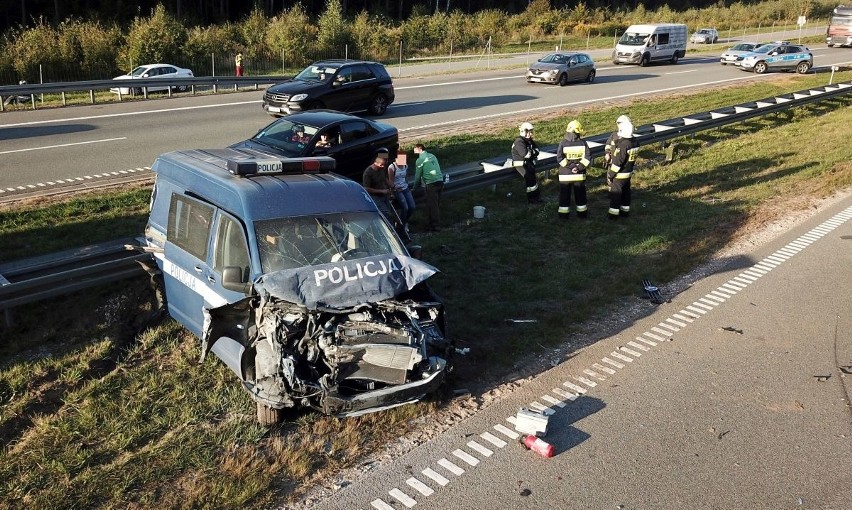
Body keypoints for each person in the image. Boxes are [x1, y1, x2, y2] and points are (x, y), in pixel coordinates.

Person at [555, 120, 591, 220]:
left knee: (564, 196)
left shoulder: (562, 143)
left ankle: (563, 216)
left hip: (565, 175)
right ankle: (582, 215)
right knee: (580, 195)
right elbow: (587, 157)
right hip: (579, 175)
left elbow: (559, 158)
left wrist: (570, 166)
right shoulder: (583, 143)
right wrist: (578, 167)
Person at [607, 119, 639, 220]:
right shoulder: (635, 142)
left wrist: (610, 174)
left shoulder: (623, 145)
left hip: (620, 174)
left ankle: (613, 215)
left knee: (616, 195)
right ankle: (625, 212)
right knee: (626, 193)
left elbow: (618, 162)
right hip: (628, 172)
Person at [412, 143, 444, 232]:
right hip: (440, 181)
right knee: (436, 204)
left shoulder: (420, 160)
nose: (413, 150)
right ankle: (432, 224)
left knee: (432, 206)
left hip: (431, 183)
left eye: (415, 148)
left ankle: (435, 225)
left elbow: (417, 176)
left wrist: (414, 188)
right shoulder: (432, 156)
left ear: (420, 149)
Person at [511, 122, 541, 203]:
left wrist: (532, 152)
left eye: (531, 132)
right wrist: (533, 152)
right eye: (529, 132)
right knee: (530, 180)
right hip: (520, 165)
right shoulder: (519, 141)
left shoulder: (529, 140)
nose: (531, 134)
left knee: (533, 181)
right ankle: (532, 199)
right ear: (524, 132)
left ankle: (535, 198)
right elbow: (526, 154)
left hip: (528, 164)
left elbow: (538, 150)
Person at [388, 153, 415, 233]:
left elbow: (405, 177)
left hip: (405, 187)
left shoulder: (405, 166)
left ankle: (405, 221)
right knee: (405, 207)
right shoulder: (392, 167)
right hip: (397, 189)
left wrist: (407, 186)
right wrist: (392, 192)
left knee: (412, 207)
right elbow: (391, 181)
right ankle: (401, 226)